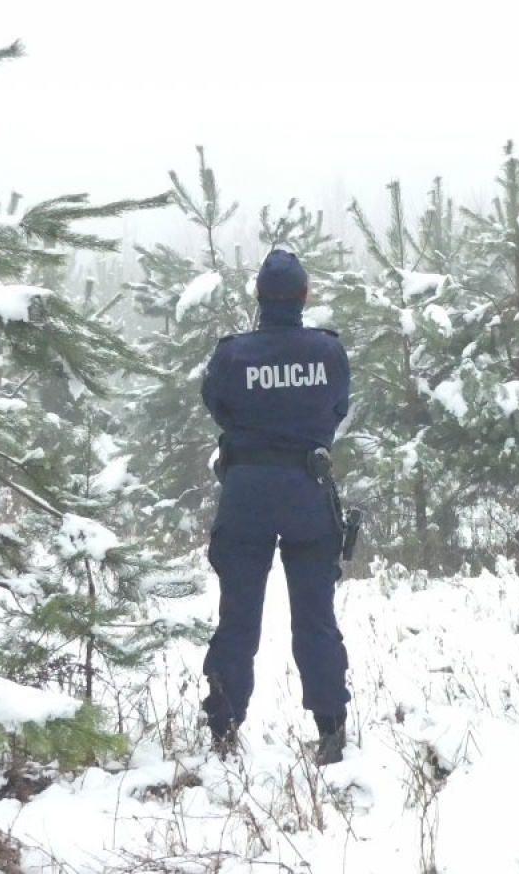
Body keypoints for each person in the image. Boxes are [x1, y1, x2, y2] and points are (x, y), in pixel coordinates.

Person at [199, 249, 352, 764]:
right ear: (304, 296)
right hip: (307, 493)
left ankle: (223, 729)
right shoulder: (327, 352)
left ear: (259, 299)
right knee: (315, 618)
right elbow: (337, 409)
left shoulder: (233, 354)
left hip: (245, 497)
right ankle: (331, 729)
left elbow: (215, 404)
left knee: (238, 619)